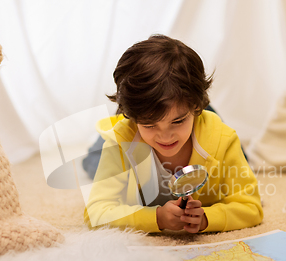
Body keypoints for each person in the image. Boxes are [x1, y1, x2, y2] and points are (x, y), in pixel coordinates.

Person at [84, 34, 263, 233]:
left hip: (202, 120)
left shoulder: (223, 139)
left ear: (195, 108)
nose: (165, 136)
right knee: (93, 161)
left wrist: (207, 218)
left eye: (177, 121)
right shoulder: (120, 141)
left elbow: (251, 206)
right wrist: (156, 217)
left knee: (237, 154)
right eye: (150, 125)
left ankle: (191, 111)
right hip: (126, 134)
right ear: (134, 118)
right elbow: (95, 212)